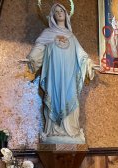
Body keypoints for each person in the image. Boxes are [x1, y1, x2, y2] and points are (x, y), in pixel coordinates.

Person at [25, 3, 95, 144]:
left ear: (66, 13)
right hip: (54, 77)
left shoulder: (71, 36)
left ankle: (71, 131)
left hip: (69, 77)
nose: (59, 13)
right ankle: (54, 131)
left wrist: (88, 63)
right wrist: (32, 58)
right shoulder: (47, 34)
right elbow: (38, 49)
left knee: (71, 99)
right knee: (54, 98)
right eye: (56, 11)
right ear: (52, 16)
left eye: (61, 10)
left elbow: (82, 56)